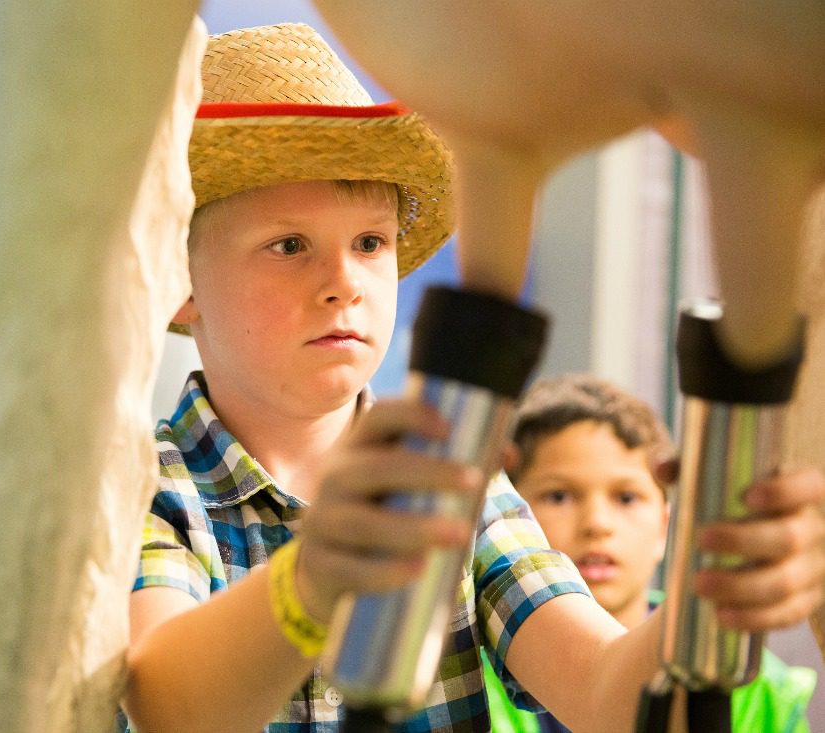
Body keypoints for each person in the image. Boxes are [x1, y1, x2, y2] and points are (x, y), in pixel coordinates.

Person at [118, 23, 825, 733]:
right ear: (181, 282)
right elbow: (167, 705)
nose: (345, 281)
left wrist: (715, 584)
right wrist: (310, 579)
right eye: (289, 244)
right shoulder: (141, 490)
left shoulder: (456, 480)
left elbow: (608, 694)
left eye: (370, 242)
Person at [484, 373, 817, 732]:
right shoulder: (473, 677)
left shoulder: (765, 693)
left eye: (627, 498)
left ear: (665, 527)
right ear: (515, 513)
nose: (597, 523)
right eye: (559, 496)